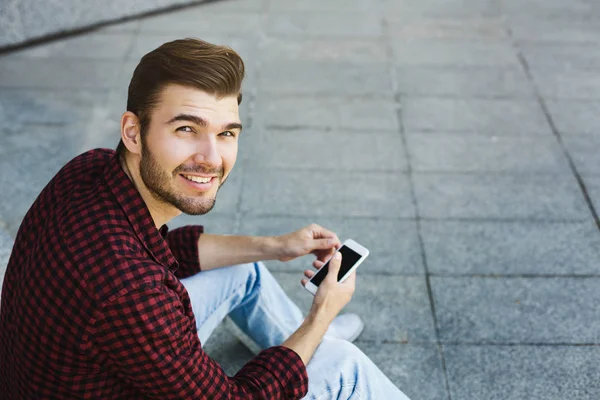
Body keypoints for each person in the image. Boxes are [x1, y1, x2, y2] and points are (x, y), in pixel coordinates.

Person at [0, 38, 410, 399]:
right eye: (185, 129)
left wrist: (276, 247)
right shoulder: (131, 293)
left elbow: (163, 253)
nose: (211, 158)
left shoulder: (90, 169)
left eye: (226, 133)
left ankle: (310, 342)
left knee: (243, 269)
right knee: (344, 367)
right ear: (133, 132)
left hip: (52, 371)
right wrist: (323, 312)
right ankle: (318, 338)